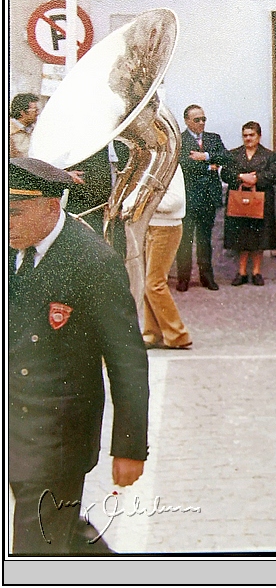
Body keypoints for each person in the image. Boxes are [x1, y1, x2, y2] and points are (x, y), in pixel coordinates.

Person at [8, 157, 149, 554]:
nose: (7, 222)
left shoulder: (92, 261)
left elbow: (127, 361)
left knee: (35, 546)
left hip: (59, 435)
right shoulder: (11, 249)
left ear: (51, 207)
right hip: (15, 425)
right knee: (58, 532)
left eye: (15, 212)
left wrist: (129, 446)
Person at [176, 105, 231, 292]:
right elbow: (183, 164)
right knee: (185, 240)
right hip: (189, 198)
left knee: (204, 239)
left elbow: (225, 157)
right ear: (187, 121)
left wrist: (204, 156)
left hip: (208, 197)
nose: (201, 123)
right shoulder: (180, 140)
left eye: (203, 119)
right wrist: (209, 165)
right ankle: (183, 278)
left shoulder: (213, 138)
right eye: (197, 120)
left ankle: (206, 277)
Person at [137, 167, 193, 349]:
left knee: (154, 284)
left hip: (167, 228)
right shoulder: (151, 164)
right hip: (151, 226)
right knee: (148, 283)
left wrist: (145, 202)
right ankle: (152, 333)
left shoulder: (171, 166)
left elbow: (175, 201)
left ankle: (178, 335)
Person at [222, 121, 276, 286]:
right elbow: (225, 173)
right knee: (241, 236)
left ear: (259, 136)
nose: (248, 138)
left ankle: (256, 272)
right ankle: (241, 272)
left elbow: (275, 174)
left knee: (258, 237)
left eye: (251, 135)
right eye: (245, 135)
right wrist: (241, 177)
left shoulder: (269, 156)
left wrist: (256, 179)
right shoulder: (233, 155)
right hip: (239, 201)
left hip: (260, 200)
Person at [9, 92, 39, 159]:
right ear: (22, 112)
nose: (37, 113)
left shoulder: (34, 130)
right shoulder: (11, 132)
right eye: (35, 110)